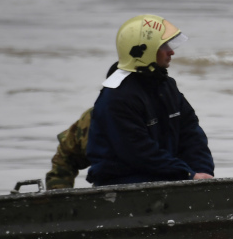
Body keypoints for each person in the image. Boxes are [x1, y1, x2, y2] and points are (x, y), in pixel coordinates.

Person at [85, 14, 215, 186]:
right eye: (164, 46)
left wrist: (202, 171)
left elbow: (191, 132)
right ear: (142, 51)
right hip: (122, 186)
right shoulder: (117, 98)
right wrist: (186, 174)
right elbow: (139, 153)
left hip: (168, 178)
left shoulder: (167, 86)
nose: (171, 51)